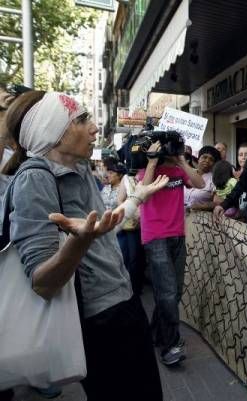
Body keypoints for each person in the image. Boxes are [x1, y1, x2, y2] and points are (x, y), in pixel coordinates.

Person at [1, 91, 163, 400]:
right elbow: (43, 282)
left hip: (124, 303)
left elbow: (102, 225)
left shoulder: (81, 169)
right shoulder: (34, 179)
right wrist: (79, 243)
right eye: (82, 120)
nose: (94, 128)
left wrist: (137, 198)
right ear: (54, 133)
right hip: (99, 322)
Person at [137, 137, 205, 366]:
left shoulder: (178, 169)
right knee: (166, 292)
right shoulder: (146, 167)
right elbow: (142, 193)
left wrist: (182, 162)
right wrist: (152, 162)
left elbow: (200, 184)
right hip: (155, 236)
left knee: (174, 291)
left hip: (178, 234)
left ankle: (154, 333)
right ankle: (171, 346)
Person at [184, 145, 219, 211]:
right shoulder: (188, 173)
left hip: (199, 217)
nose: (207, 161)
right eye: (204, 157)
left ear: (214, 163)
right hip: (178, 214)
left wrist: (201, 206)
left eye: (211, 159)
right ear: (198, 158)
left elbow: (217, 203)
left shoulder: (214, 180)